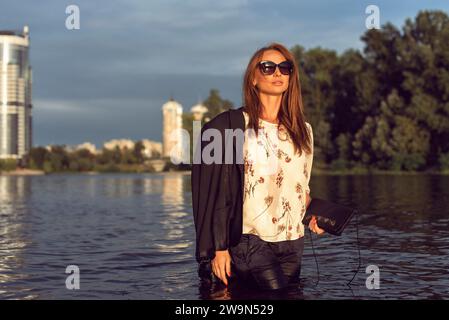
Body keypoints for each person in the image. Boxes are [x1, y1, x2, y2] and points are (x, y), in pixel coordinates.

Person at [191, 42, 324, 293]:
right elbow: (218, 190)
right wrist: (219, 249)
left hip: (292, 240)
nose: (278, 73)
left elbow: (299, 188)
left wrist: (314, 215)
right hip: (248, 239)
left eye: (285, 68)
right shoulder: (232, 126)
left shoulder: (303, 131)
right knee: (277, 294)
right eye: (268, 67)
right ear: (253, 78)